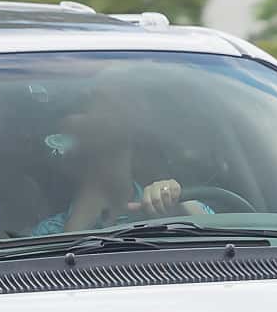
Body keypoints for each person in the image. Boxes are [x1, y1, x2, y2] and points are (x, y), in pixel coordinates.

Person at [30, 98, 207, 235]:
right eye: (96, 154)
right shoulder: (48, 233)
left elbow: (220, 237)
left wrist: (178, 204)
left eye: (115, 153)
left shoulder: (169, 203)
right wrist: (79, 221)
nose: (107, 166)